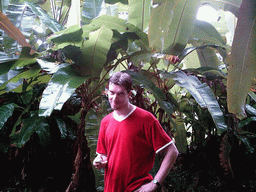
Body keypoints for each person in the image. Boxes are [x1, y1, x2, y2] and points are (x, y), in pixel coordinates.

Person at [93, 71, 179, 192]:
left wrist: (155, 183)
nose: (114, 98)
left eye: (120, 94)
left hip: (136, 188)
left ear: (129, 94)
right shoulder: (105, 122)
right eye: (111, 93)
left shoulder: (146, 119)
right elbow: (103, 155)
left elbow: (172, 151)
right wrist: (98, 160)